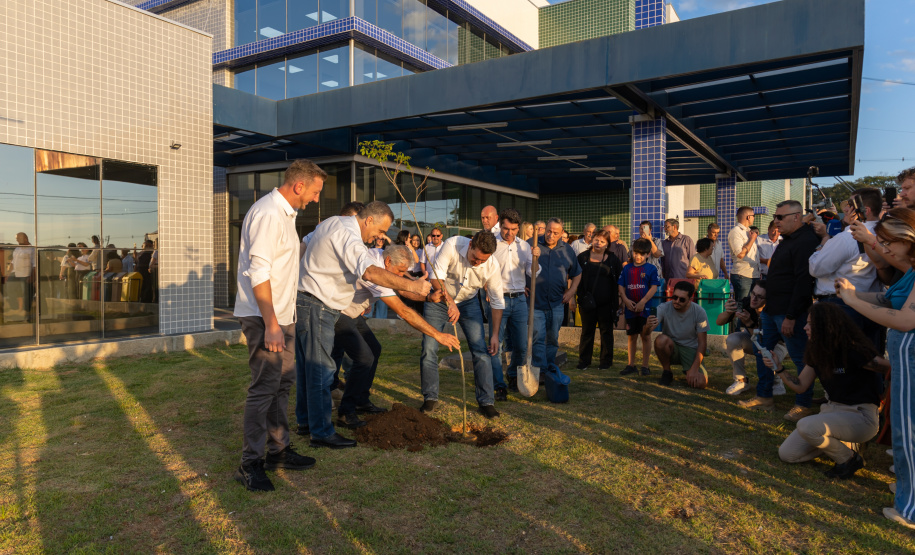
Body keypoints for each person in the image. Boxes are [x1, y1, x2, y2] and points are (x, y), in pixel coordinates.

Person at [296, 200, 432, 447]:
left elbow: (304, 245)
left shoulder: (331, 223)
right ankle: (321, 432)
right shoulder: (349, 235)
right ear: (368, 220)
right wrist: (412, 285)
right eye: (380, 231)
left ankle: (307, 423)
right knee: (321, 370)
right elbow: (369, 272)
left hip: (314, 302)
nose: (380, 238)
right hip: (318, 305)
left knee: (310, 368)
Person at [233, 159, 326, 492]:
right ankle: (250, 464)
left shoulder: (287, 215)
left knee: (282, 385)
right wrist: (271, 324)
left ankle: (278, 451)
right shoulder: (269, 213)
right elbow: (258, 272)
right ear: (299, 186)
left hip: (282, 318)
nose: (316, 199)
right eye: (315, 192)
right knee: (263, 389)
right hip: (264, 318)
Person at [835, 207, 915, 528]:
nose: (884, 249)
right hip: (904, 360)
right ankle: (910, 490)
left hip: (910, 357)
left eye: (889, 242)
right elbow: (891, 301)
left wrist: (854, 302)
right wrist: (855, 295)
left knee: (907, 432)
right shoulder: (909, 271)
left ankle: (909, 508)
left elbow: (907, 319)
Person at [330, 245, 459, 429]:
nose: (401, 275)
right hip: (339, 312)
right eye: (399, 271)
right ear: (389, 261)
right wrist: (437, 335)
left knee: (374, 348)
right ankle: (346, 412)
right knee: (364, 357)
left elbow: (402, 289)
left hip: (352, 312)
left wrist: (429, 298)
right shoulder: (375, 271)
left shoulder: (383, 261)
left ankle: (360, 400)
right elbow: (404, 311)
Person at [766, 302, 887, 480]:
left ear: (826, 326)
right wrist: (779, 368)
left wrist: (885, 402)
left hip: (861, 416)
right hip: (831, 412)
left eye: (810, 324)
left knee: (806, 425)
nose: (805, 327)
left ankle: (849, 459)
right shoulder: (818, 351)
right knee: (787, 454)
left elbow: (892, 369)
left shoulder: (853, 350)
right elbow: (800, 386)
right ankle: (840, 444)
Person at [739, 200, 819, 422]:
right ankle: (764, 396)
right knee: (763, 352)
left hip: (789, 312)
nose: (775, 221)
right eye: (775, 216)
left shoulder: (805, 241)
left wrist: (792, 316)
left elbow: (803, 282)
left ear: (796, 217)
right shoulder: (787, 239)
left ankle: (803, 404)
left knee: (800, 357)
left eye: (780, 217)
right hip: (772, 309)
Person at [421, 230, 503, 418]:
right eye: (475, 258)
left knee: (480, 350)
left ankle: (486, 401)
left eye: (482, 261)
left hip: (469, 302)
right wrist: (450, 303)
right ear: (471, 244)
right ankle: (430, 397)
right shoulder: (451, 245)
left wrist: (496, 334)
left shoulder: (492, 265)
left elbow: (498, 302)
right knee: (429, 347)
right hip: (439, 299)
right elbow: (436, 278)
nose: (478, 263)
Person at [809, 188, 884, 348]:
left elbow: (816, 268)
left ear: (865, 210)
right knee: (870, 359)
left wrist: (823, 243)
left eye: (850, 205)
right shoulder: (886, 233)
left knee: (839, 364)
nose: (845, 209)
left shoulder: (847, 237)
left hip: (839, 305)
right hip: (873, 305)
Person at [491, 208, 540, 396]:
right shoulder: (492, 243)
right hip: (498, 298)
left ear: (518, 228)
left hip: (519, 298)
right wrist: (488, 289)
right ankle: (499, 385)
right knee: (496, 344)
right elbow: (485, 268)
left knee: (521, 345)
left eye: (513, 229)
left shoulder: (525, 247)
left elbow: (532, 271)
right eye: (505, 229)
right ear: (500, 225)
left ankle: (513, 375)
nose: (509, 233)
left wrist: (536, 258)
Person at [717, 281, 788, 395]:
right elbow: (718, 322)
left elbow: (765, 342)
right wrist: (728, 312)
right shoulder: (746, 302)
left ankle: (776, 381)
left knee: (767, 352)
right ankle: (741, 380)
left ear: (768, 300)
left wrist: (749, 323)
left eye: (759, 297)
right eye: (753, 293)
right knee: (733, 339)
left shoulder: (774, 311)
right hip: (754, 339)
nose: (754, 299)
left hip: (777, 345)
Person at [532, 218, 581, 371]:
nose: (551, 235)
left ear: (561, 234)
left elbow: (577, 273)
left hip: (557, 302)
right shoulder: (532, 244)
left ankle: (549, 369)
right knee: (538, 338)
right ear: (544, 229)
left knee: (553, 339)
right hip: (536, 302)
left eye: (555, 233)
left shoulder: (567, 250)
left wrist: (572, 291)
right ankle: (540, 371)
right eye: (548, 231)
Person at [646, 281, 709, 388]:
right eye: (674, 297)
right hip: (672, 346)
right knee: (660, 340)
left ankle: (690, 371)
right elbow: (645, 334)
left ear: (690, 299)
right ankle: (667, 372)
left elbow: (702, 343)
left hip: (691, 349)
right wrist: (647, 326)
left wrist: (694, 369)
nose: (677, 301)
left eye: (682, 299)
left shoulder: (699, 312)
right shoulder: (664, 307)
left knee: (700, 383)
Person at [576, 230, 622, 370]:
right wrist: (573, 298)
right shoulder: (582, 257)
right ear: (592, 239)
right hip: (587, 302)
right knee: (587, 331)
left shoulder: (613, 259)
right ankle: (584, 361)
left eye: (602, 241)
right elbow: (574, 278)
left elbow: (619, 280)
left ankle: (606, 362)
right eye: (596, 239)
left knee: (606, 332)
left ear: (607, 244)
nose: (598, 243)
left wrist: (620, 299)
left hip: (607, 303)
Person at [618, 238, 660, 376]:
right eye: (636, 253)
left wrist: (643, 301)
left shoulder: (651, 269)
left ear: (648, 254)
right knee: (631, 336)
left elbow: (654, 287)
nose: (638, 256)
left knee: (645, 336)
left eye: (642, 254)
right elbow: (621, 285)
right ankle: (631, 364)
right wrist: (625, 300)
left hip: (645, 309)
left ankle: (645, 366)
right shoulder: (627, 268)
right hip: (630, 308)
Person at [728, 206, 760, 301]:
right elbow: (740, 254)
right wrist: (752, 240)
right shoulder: (736, 232)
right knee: (742, 306)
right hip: (743, 275)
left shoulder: (748, 232)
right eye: (753, 216)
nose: (754, 218)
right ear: (748, 217)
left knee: (750, 307)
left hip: (753, 274)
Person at [6, 232, 35, 317]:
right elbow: (13, 262)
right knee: (9, 289)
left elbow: (34, 265)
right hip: (14, 273)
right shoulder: (17, 248)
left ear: (25, 238)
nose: (17, 240)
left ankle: (26, 311)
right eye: (16, 239)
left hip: (25, 274)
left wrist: (32, 276)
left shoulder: (32, 249)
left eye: (18, 239)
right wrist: (8, 273)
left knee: (26, 293)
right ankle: (14, 309)